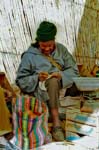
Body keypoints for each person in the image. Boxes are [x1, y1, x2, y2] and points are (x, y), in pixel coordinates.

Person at [16, 21, 80, 141]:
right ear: (38, 42)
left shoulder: (62, 50)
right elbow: (21, 79)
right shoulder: (29, 55)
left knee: (62, 81)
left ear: (54, 40)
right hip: (40, 89)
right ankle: (56, 125)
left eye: (50, 45)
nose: (47, 49)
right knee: (52, 82)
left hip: (63, 85)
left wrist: (61, 75)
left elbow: (74, 70)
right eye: (43, 46)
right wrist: (36, 78)